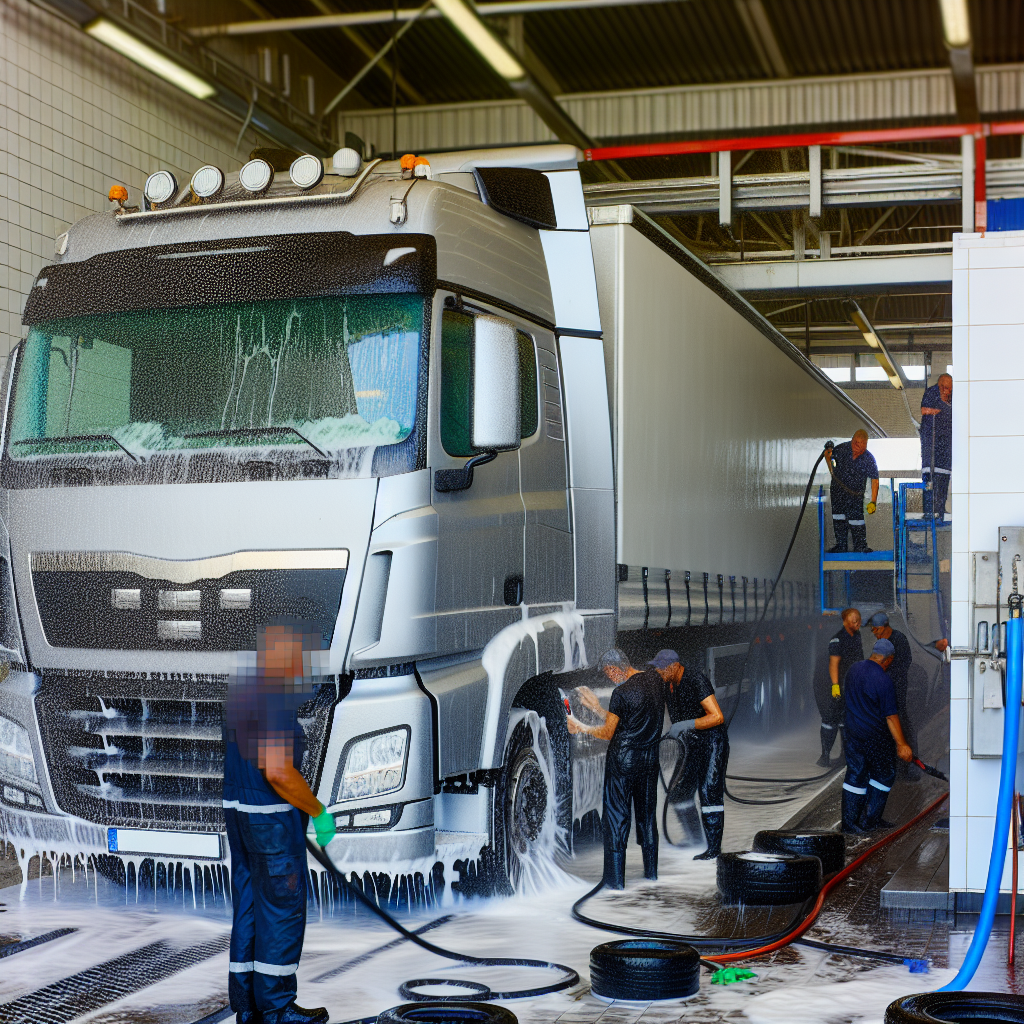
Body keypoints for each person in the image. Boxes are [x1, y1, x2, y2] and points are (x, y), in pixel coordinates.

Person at [222, 623, 337, 1024]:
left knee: (250, 908)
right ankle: (277, 1009)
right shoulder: (274, 700)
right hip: (270, 823)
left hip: (239, 817)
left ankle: (248, 1007)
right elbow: (277, 772)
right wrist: (318, 811)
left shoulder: (243, 693)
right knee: (281, 910)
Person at [567, 648, 665, 888]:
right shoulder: (655, 682)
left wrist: (580, 727)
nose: (609, 677)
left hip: (623, 762)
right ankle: (651, 876)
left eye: (608, 672)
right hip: (649, 761)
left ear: (614, 668)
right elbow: (627, 720)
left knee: (616, 818)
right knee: (646, 817)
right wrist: (596, 708)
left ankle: (615, 883)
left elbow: (609, 732)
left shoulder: (621, 692)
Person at [649, 649, 729, 861]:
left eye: (661, 668)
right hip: (691, 745)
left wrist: (686, 724)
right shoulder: (669, 684)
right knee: (679, 792)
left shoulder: (695, 680)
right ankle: (695, 840)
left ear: (674, 666)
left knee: (709, 793)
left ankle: (713, 849)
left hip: (712, 743)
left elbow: (717, 716)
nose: (659, 672)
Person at [841, 638, 913, 833]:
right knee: (884, 774)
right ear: (887, 659)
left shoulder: (853, 670)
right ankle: (870, 820)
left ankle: (849, 823)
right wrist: (902, 745)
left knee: (855, 773)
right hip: (874, 736)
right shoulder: (883, 680)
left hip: (851, 733)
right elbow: (890, 717)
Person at [868, 611, 916, 776]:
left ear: (885, 626)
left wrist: (889, 677)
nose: (875, 633)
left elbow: (905, 663)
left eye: (876, 629)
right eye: (873, 630)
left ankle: (907, 767)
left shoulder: (899, 640)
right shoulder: (881, 643)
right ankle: (889, 766)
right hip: (884, 689)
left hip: (897, 688)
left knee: (900, 722)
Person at [817, 607, 863, 767]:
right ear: (845, 622)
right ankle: (825, 756)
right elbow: (834, 663)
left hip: (850, 684)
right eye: (854, 621)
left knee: (846, 720)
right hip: (838, 685)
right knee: (830, 719)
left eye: (858, 621)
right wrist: (835, 685)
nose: (857, 623)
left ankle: (844, 755)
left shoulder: (856, 636)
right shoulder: (837, 639)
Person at [827, 429, 879, 553]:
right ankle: (841, 545)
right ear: (852, 441)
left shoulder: (868, 458)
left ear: (865, 444)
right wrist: (827, 456)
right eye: (856, 442)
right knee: (838, 517)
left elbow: (875, 480)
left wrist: (873, 501)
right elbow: (830, 460)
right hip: (838, 492)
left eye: (861, 444)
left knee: (857, 520)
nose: (857, 446)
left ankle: (860, 546)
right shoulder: (840, 449)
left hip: (855, 495)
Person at [920, 373, 952, 522]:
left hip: (946, 449)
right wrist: (938, 411)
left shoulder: (952, 398)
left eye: (950, 389)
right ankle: (930, 510)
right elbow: (924, 410)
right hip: (932, 446)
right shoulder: (932, 392)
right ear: (939, 385)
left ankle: (940, 509)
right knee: (931, 478)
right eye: (945, 388)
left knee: (943, 477)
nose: (947, 391)